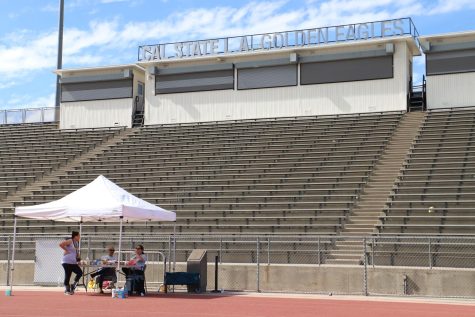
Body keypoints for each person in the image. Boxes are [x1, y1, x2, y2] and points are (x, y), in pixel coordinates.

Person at [59, 231, 83, 295]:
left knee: (80, 272)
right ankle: (67, 289)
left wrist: (79, 260)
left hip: (73, 262)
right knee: (68, 275)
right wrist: (66, 250)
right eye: (79, 236)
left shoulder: (77, 243)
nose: (79, 237)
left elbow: (76, 253)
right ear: (75, 236)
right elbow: (61, 244)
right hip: (66, 262)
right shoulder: (70, 241)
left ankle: (73, 285)